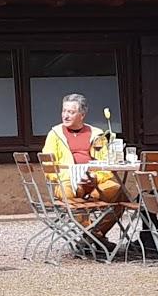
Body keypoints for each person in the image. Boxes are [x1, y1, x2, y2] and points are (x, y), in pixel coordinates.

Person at [41, 92, 123, 250]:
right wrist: (72, 176)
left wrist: (95, 178)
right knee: (69, 192)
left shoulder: (97, 134)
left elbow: (106, 164)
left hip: (93, 181)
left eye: (71, 112)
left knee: (118, 191)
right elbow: (48, 166)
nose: (65, 115)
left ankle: (92, 237)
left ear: (82, 115)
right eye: (64, 111)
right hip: (67, 181)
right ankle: (94, 238)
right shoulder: (54, 134)